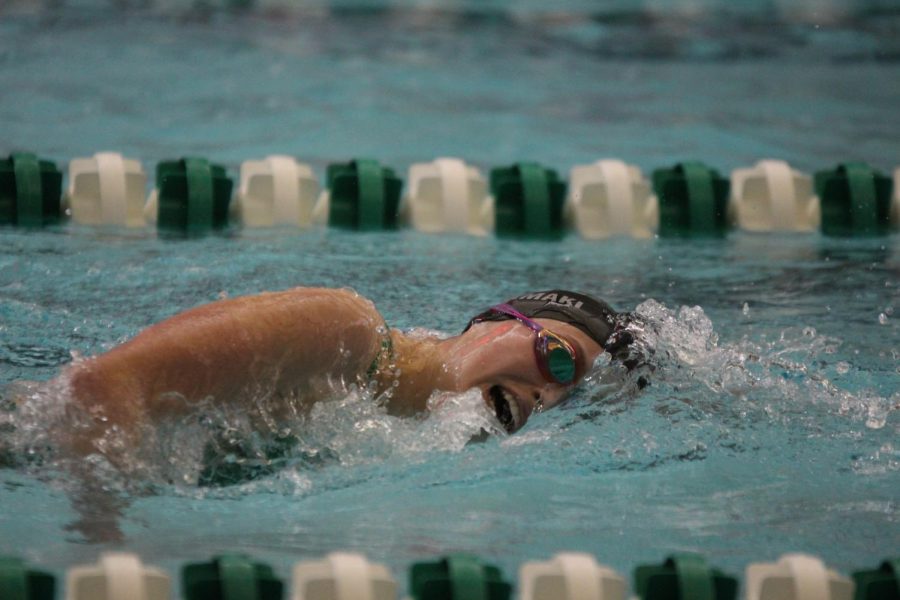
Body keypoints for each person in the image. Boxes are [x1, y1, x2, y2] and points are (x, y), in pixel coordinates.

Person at [61, 287, 638, 460]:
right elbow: (107, 384)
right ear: (495, 323)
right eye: (558, 360)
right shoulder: (346, 332)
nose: (543, 394)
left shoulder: (383, 427)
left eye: (560, 396)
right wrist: (103, 546)